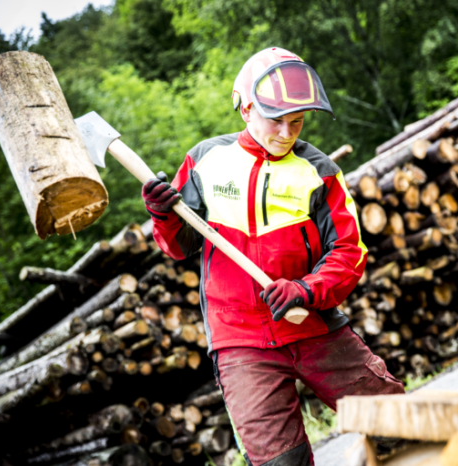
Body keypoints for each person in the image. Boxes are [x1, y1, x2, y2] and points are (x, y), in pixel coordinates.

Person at [142, 47, 404, 466]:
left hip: (316, 329)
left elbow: (349, 254)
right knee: (281, 463)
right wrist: (162, 214)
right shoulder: (205, 162)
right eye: (275, 120)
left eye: (296, 122)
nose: (286, 132)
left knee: (401, 427)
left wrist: (306, 289)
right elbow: (177, 246)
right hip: (240, 344)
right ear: (245, 108)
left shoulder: (320, 172)